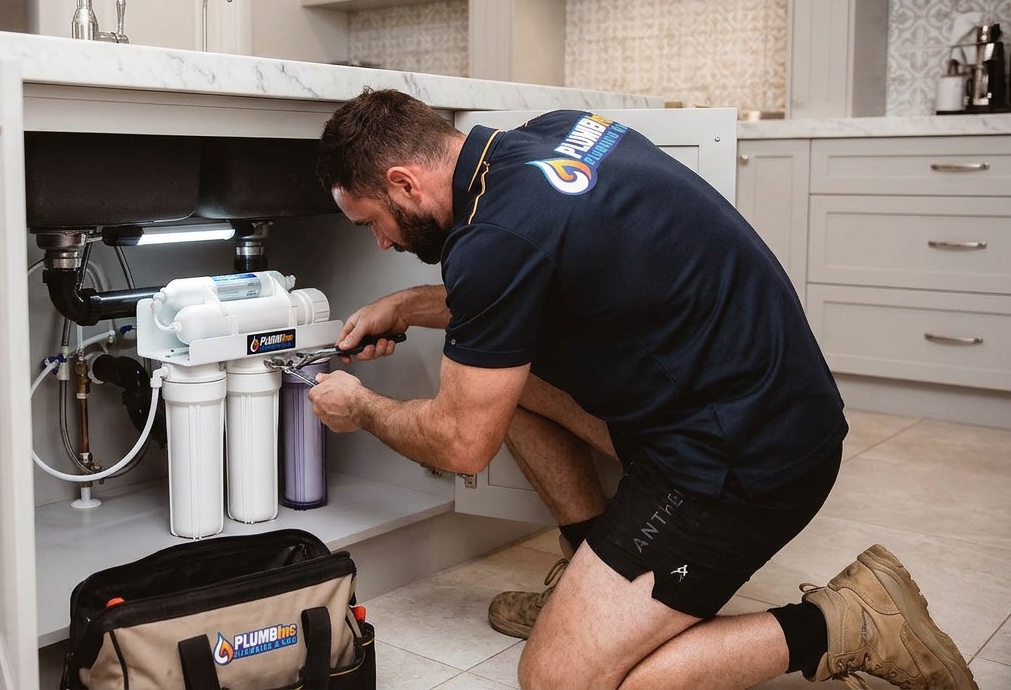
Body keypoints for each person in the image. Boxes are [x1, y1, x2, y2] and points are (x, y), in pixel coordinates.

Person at [306, 87, 977, 690]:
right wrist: (411, 306)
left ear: (404, 182)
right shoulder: (555, 133)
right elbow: (531, 279)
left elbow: (462, 443)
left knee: (557, 678)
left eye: (372, 222)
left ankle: (849, 621)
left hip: (741, 460)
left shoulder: (494, 242)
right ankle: (587, 573)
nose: (384, 243)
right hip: (773, 404)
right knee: (501, 379)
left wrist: (362, 408)